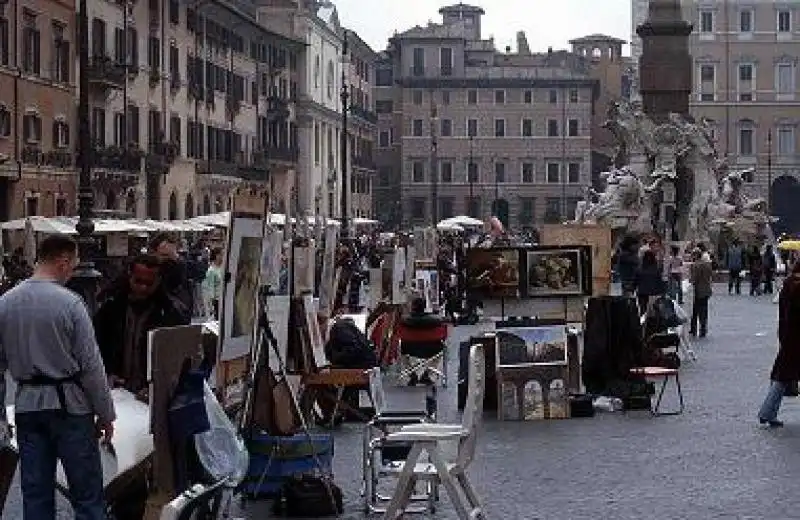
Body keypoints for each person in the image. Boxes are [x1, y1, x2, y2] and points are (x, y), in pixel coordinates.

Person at [0, 234, 115, 519]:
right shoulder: (71, 304)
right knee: (87, 494)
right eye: (73, 264)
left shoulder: (5, 303)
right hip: (70, 408)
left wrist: (2, 417)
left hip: (27, 407)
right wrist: (105, 413)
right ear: (64, 261)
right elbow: (91, 365)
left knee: (35, 494)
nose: (73, 271)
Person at [94, 255, 191, 395]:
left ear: (159, 281)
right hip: (117, 390)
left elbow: (179, 359)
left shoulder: (172, 313)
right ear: (130, 276)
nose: (143, 287)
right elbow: (97, 345)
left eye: (149, 283)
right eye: (138, 281)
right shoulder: (110, 306)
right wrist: (108, 373)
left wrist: (159, 387)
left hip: (152, 394)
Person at [757, 262, 800, 427]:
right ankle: (767, 412)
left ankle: (768, 412)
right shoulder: (797, 286)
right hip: (795, 338)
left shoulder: (788, 283)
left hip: (787, 335)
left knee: (781, 376)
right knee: (782, 377)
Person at [149, 232, 193, 313]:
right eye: (163, 255)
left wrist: (174, 257)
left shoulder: (177, 265)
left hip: (174, 309)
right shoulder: (152, 267)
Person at [689, 248, 713, 337]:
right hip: (706, 289)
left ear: (695, 255)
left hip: (698, 290)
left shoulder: (696, 265)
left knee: (696, 310)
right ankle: (702, 328)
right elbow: (710, 275)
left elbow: (694, 279)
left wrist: (690, 280)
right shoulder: (707, 265)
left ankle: (694, 328)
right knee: (703, 310)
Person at [635, 250, 666, 316]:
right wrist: (663, 292)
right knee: (654, 311)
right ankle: (652, 323)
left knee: (643, 311)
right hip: (653, 292)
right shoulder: (656, 269)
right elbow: (659, 281)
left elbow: (636, 281)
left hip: (642, 292)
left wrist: (633, 288)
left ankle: (644, 324)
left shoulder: (640, 269)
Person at [202, 247, 224, 319]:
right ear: (216, 256)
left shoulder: (223, 268)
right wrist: (211, 305)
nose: (223, 256)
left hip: (224, 298)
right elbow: (210, 288)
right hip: (217, 300)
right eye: (221, 254)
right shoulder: (211, 270)